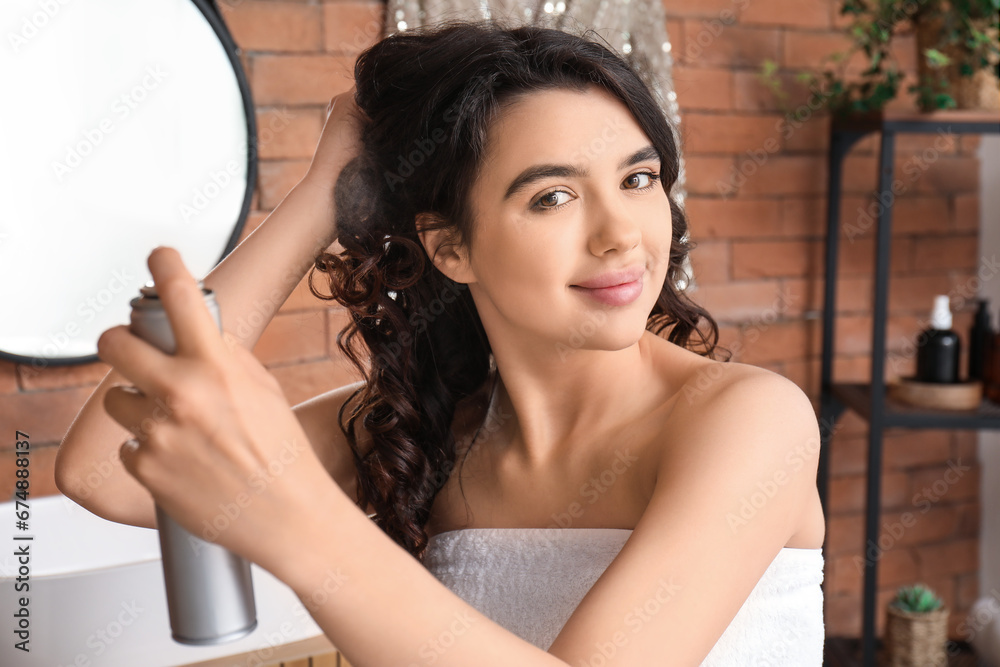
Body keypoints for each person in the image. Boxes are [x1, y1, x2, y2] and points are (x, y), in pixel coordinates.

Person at [55, 17, 827, 666]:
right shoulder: (426, 430)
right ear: (450, 248)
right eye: (553, 196)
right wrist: (324, 192)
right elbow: (102, 473)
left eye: (638, 179)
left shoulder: (750, 421)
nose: (621, 234)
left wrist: (294, 522)